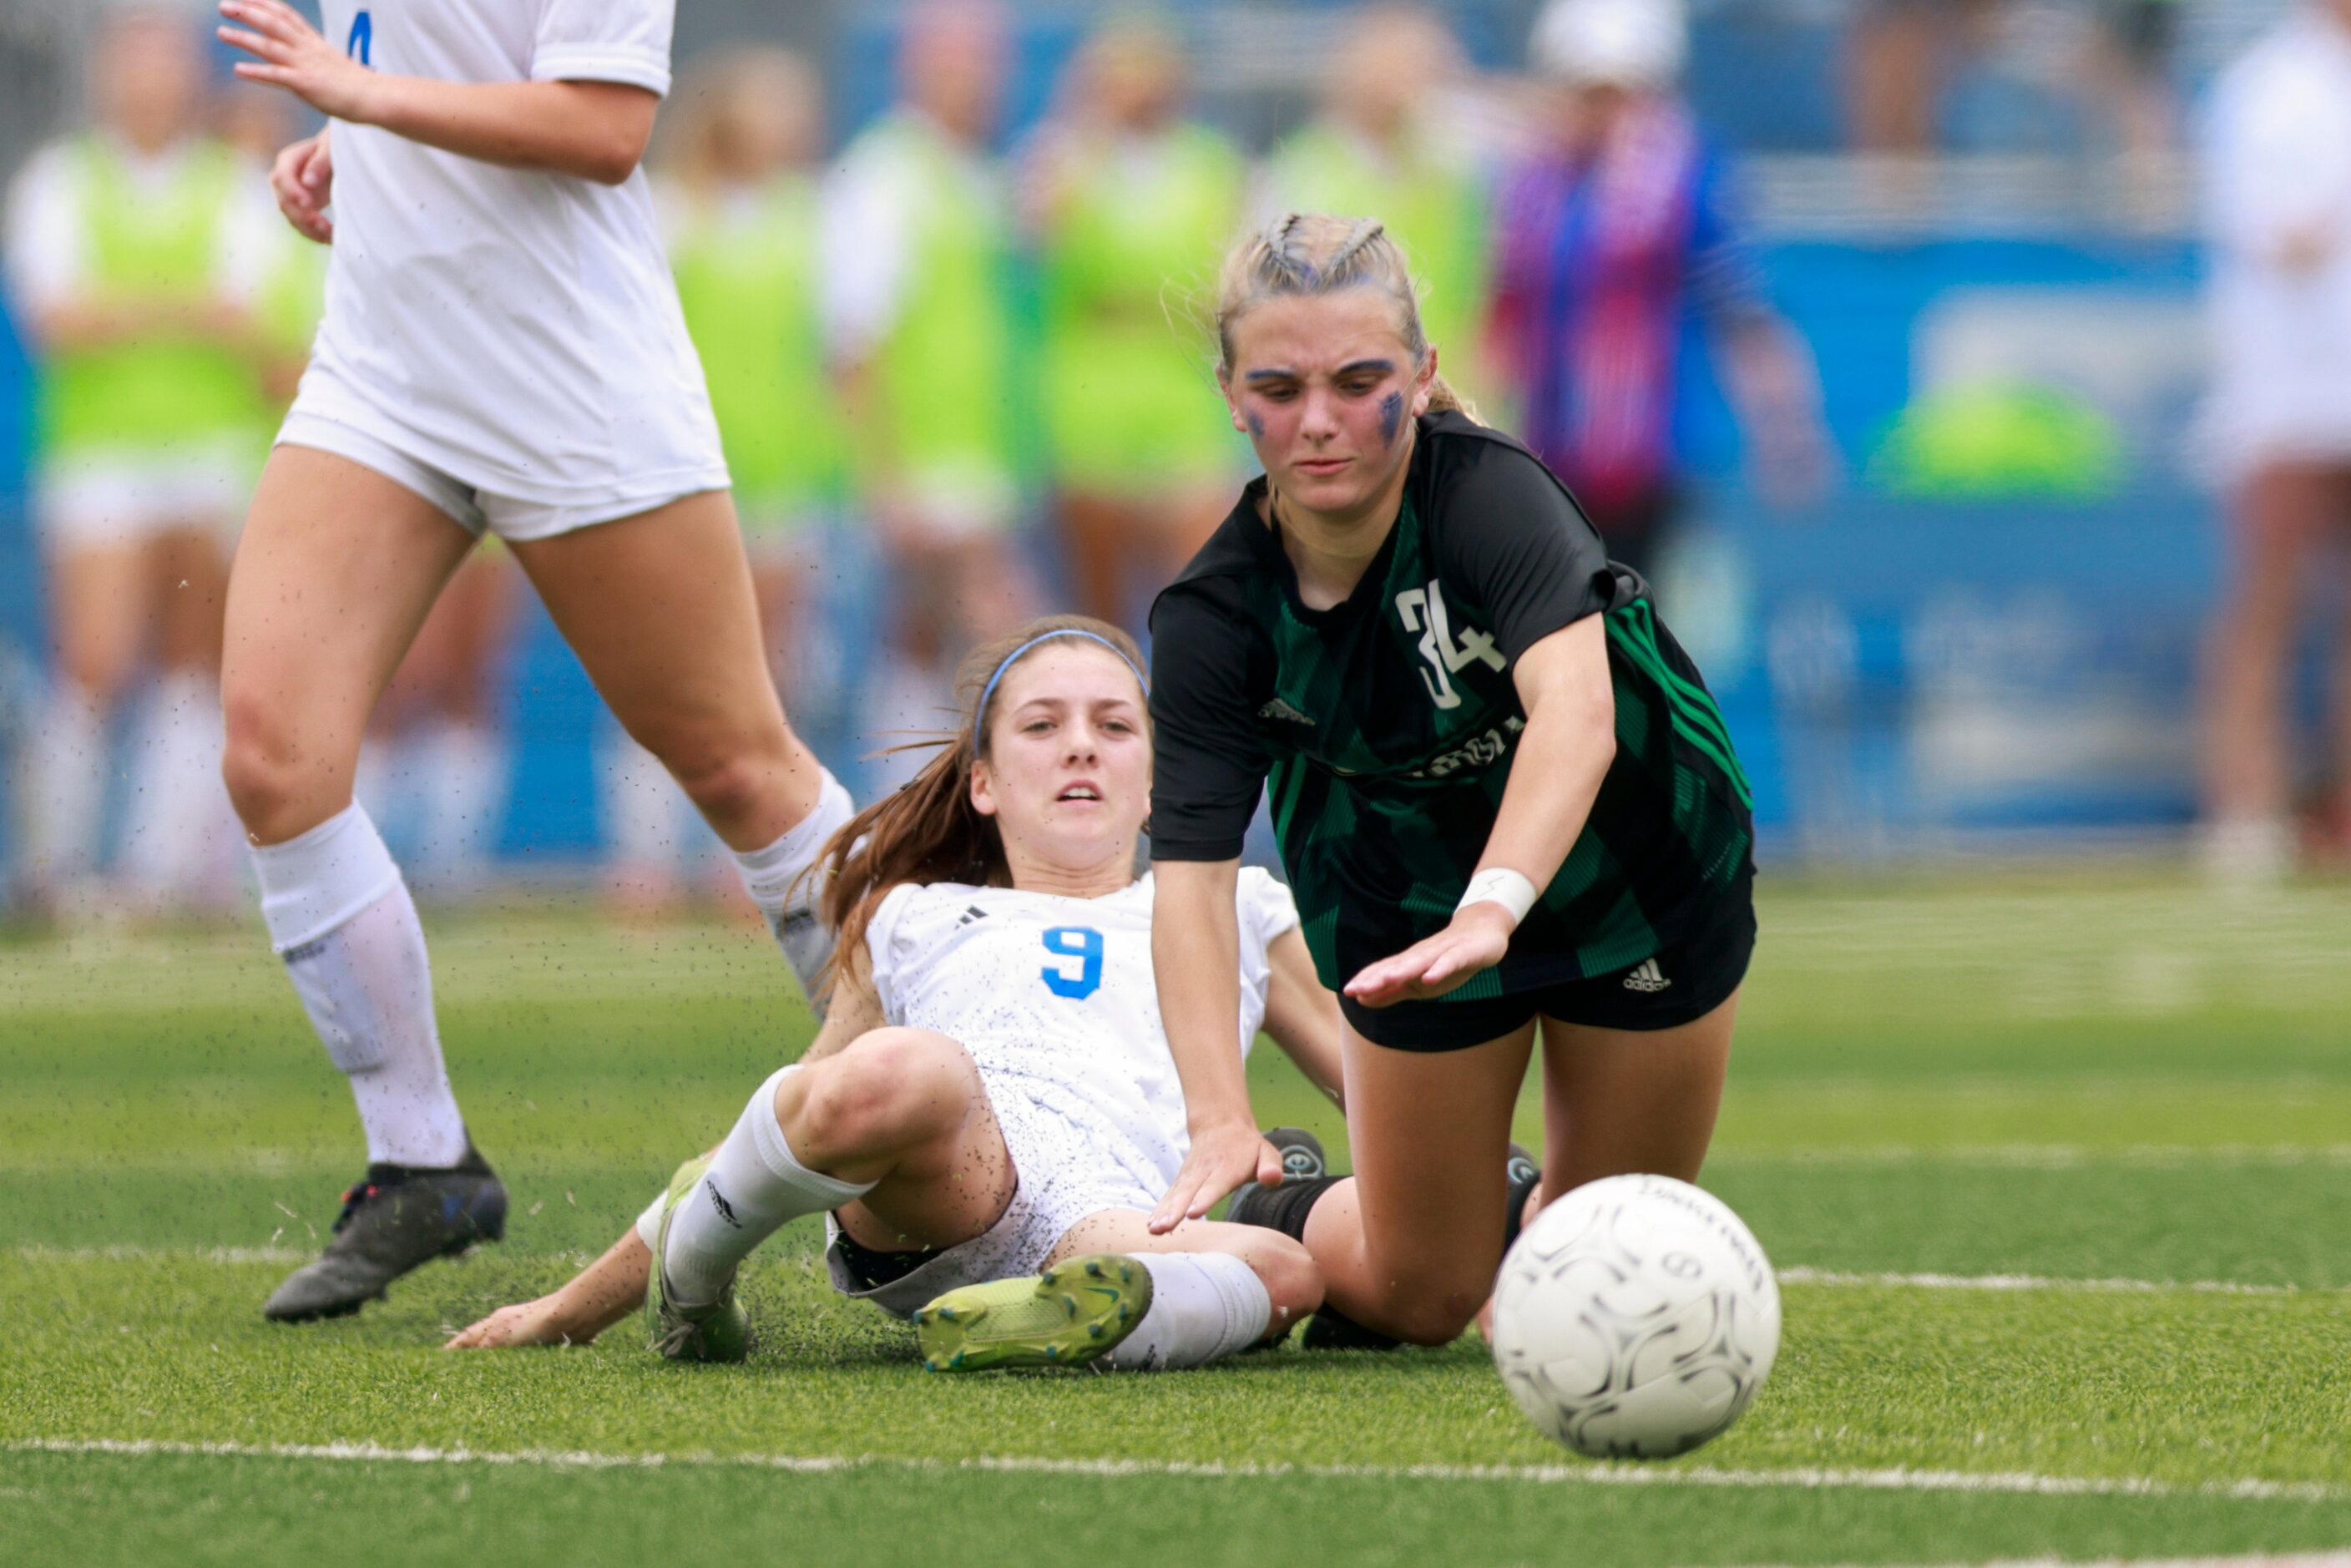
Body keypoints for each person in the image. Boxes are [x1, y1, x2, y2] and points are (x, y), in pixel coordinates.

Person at [210, 0, 855, 1323]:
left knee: (741, 765)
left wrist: (364, 98)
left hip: (569, 378)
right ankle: (421, 1157)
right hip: (386, 370)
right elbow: (427, 69)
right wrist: (355, 142)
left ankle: (985, 1087)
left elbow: (603, 127)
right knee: (275, 759)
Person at [1143, 214, 1757, 1350]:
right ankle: (1282, 1211)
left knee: (1593, 1268)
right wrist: (1218, 1113)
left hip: (1634, 868)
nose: (1319, 420)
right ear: (1231, 394)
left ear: (1422, 377)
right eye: (1279, 387)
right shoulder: (1214, 618)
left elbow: (1576, 715)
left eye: (1359, 378)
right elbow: (1189, 877)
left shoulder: (1489, 495)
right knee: (1425, 1294)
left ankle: (1520, 1199)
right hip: (1401, 898)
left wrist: (1496, 905)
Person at [447, 616, 1340, 1373]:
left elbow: (1369, 1080)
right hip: (958, 1169)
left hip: (1110, 1219)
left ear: (1157, 781)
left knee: (1283, 1268)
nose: (1079, 744)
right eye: (1040, 726)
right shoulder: (913, 916)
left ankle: (1028, 1324)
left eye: (1114, 726)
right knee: (913, 1070)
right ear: (982, 783)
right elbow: (801, 1115)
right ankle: (692, 1279)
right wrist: (574, 1306)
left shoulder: (1239, 907)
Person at [3, 8, 277, 920]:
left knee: (193, 666)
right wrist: (190, 310)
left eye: (165, 62)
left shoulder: (232, 181)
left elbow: (251, 315)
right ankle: (56, 871)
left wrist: (131, 309)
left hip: (210, 456)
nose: (150, 80)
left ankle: (154, 878)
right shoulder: (61, 181)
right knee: (93, 660)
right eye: (134, 61)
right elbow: (54, 315)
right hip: (100, 462)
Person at [603, 47, 854, 917]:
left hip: (782, 472)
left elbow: (834, 354)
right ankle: (643, 863)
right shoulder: (674, 213)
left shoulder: (805, 218)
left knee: (767, 673)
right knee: (670, 667)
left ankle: (741, 866)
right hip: (686, 473)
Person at [1490, 0, 1827, 587]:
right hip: (1550, 450)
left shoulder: (1690, 174)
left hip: (1655, 456)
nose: (1603, 109)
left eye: (1617, 91)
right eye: (1588, 89)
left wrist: (1786, 429)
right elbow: (1508, 314)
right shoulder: (1534, 180)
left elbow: (1744, 311)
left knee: (1636, 619)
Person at [824, 0, 1035, 778]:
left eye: (991, 64)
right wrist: (887, 480)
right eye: (965, 63)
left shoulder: (972, 177)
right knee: (1008, 638)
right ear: (917, 68)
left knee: (917, 642)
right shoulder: (885, 177)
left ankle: (908, 828)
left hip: (974, 458)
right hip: (925, 466)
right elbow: (853, 342)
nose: (983, 81)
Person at [1021, 13, 1246, 631]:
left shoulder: (1209, 162)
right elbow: (1034, 229)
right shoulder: (1067, 158)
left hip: (1179, 382)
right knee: (1099, 595)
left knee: (1196, 579)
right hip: (1092, 389)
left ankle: (1186, 715)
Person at [2195, 0, 2351, 882]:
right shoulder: (2266, 88)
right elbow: (2279, 236)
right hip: (2287, 393)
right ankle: (2243, 806)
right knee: (2267, 601)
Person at [1261, 6, 1492, 410]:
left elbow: (1472, 295)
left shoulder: (1450, 174)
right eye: (1394, 67)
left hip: (1441, 399)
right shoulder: (1304, 173)